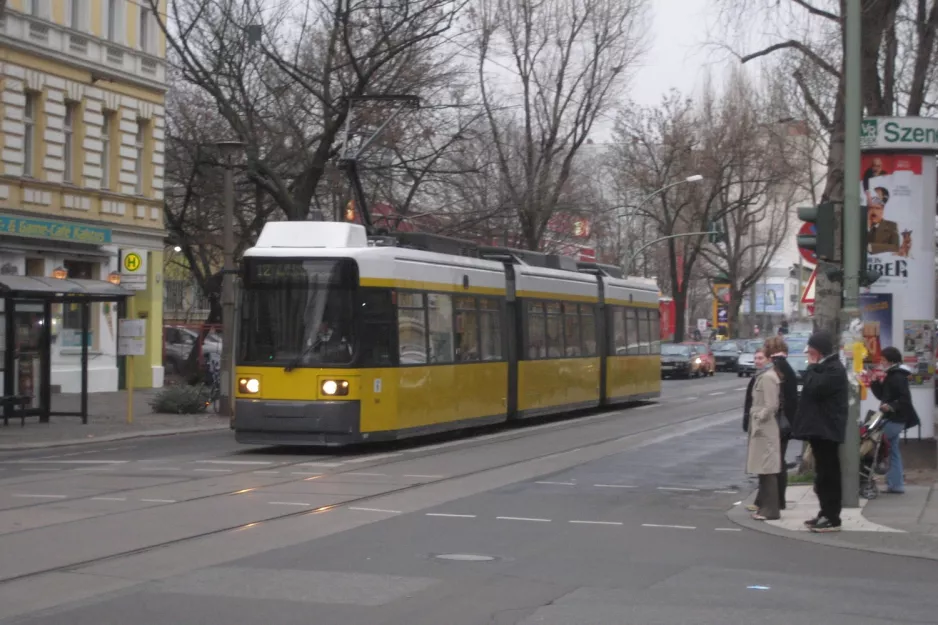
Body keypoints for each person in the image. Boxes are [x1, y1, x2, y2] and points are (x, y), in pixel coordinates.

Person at [792, 330, 849, 533]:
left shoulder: (833, 369)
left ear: (818, 350)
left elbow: (816, 388)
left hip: (827, 430)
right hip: (820, 429)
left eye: (811, 350)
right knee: (822, 475)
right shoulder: (826, 367)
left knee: (829, 475)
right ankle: (825, 512)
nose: (808, 354)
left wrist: (813, 367)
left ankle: (832, 517)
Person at [870, 347, 921, 494]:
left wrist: (891, 406)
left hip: (894, 419)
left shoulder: (897, 376)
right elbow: (883, 396)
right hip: (896, 418)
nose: (881, 362)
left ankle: (890, 480)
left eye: (883, 360)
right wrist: (875, 383)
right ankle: (896, 484)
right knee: (893, 450)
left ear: (891, 360)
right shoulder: (893, 375)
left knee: (877, 443)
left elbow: (904, 400)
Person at [746, 339, 783, 521]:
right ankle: (764, 508)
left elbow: (771, 405)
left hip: (765, 428)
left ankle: (771, 510)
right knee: (763, 468)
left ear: (769, 359)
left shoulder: (768, 377)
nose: (757, 361)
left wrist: (759, 418)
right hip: (761, 427)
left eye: (761, 358)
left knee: (768, 468)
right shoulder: (764, 375)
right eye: (756, 358)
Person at [867, 187, 900, 255]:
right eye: (870, 208)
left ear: (882, 210)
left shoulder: (891, 225)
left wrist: (870, 247)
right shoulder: (860, 225)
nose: (873, 211)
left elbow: (896, 247)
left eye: (877, 208)